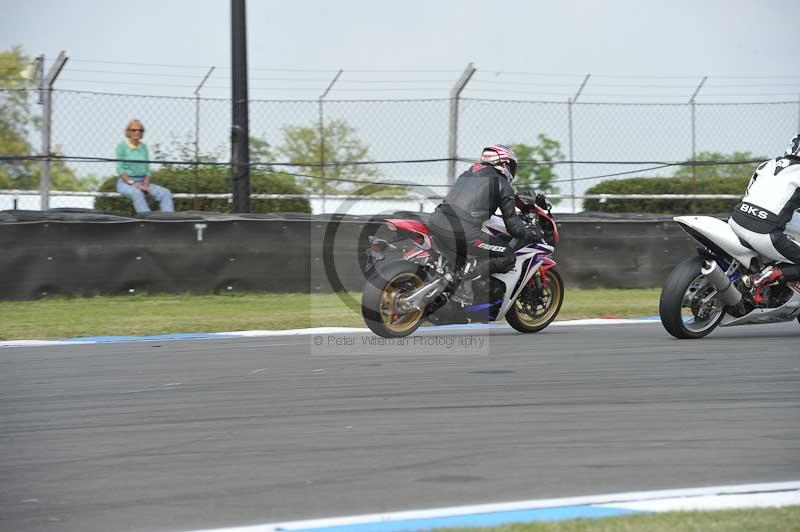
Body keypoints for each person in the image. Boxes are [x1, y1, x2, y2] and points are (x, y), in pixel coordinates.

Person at [429, 143, 543, 304]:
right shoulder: (502, 184)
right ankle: (461, 278)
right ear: (504, 163)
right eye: (511, 165)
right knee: (507, 255)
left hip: (436, 221)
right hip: (463, 231)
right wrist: (532, 234)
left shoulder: (467, 175)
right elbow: (513, 226)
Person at [729, 133, 800, 289]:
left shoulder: (766, 165)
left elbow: (748, 193)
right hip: (765, 234)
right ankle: (767, 276)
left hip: (735, 220)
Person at [116, 119, 174, 214]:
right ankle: (146, 219)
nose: (137, 132)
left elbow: (147, 169)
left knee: (165, 193)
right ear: (128, 132)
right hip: (126, 183)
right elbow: (120, 169)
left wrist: (146, 186)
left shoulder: (144, 147)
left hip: (143, 183)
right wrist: (134, 184)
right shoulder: (122, 146)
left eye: (140, 130)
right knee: (137, 193)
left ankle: (168, 220)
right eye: (134, 130)